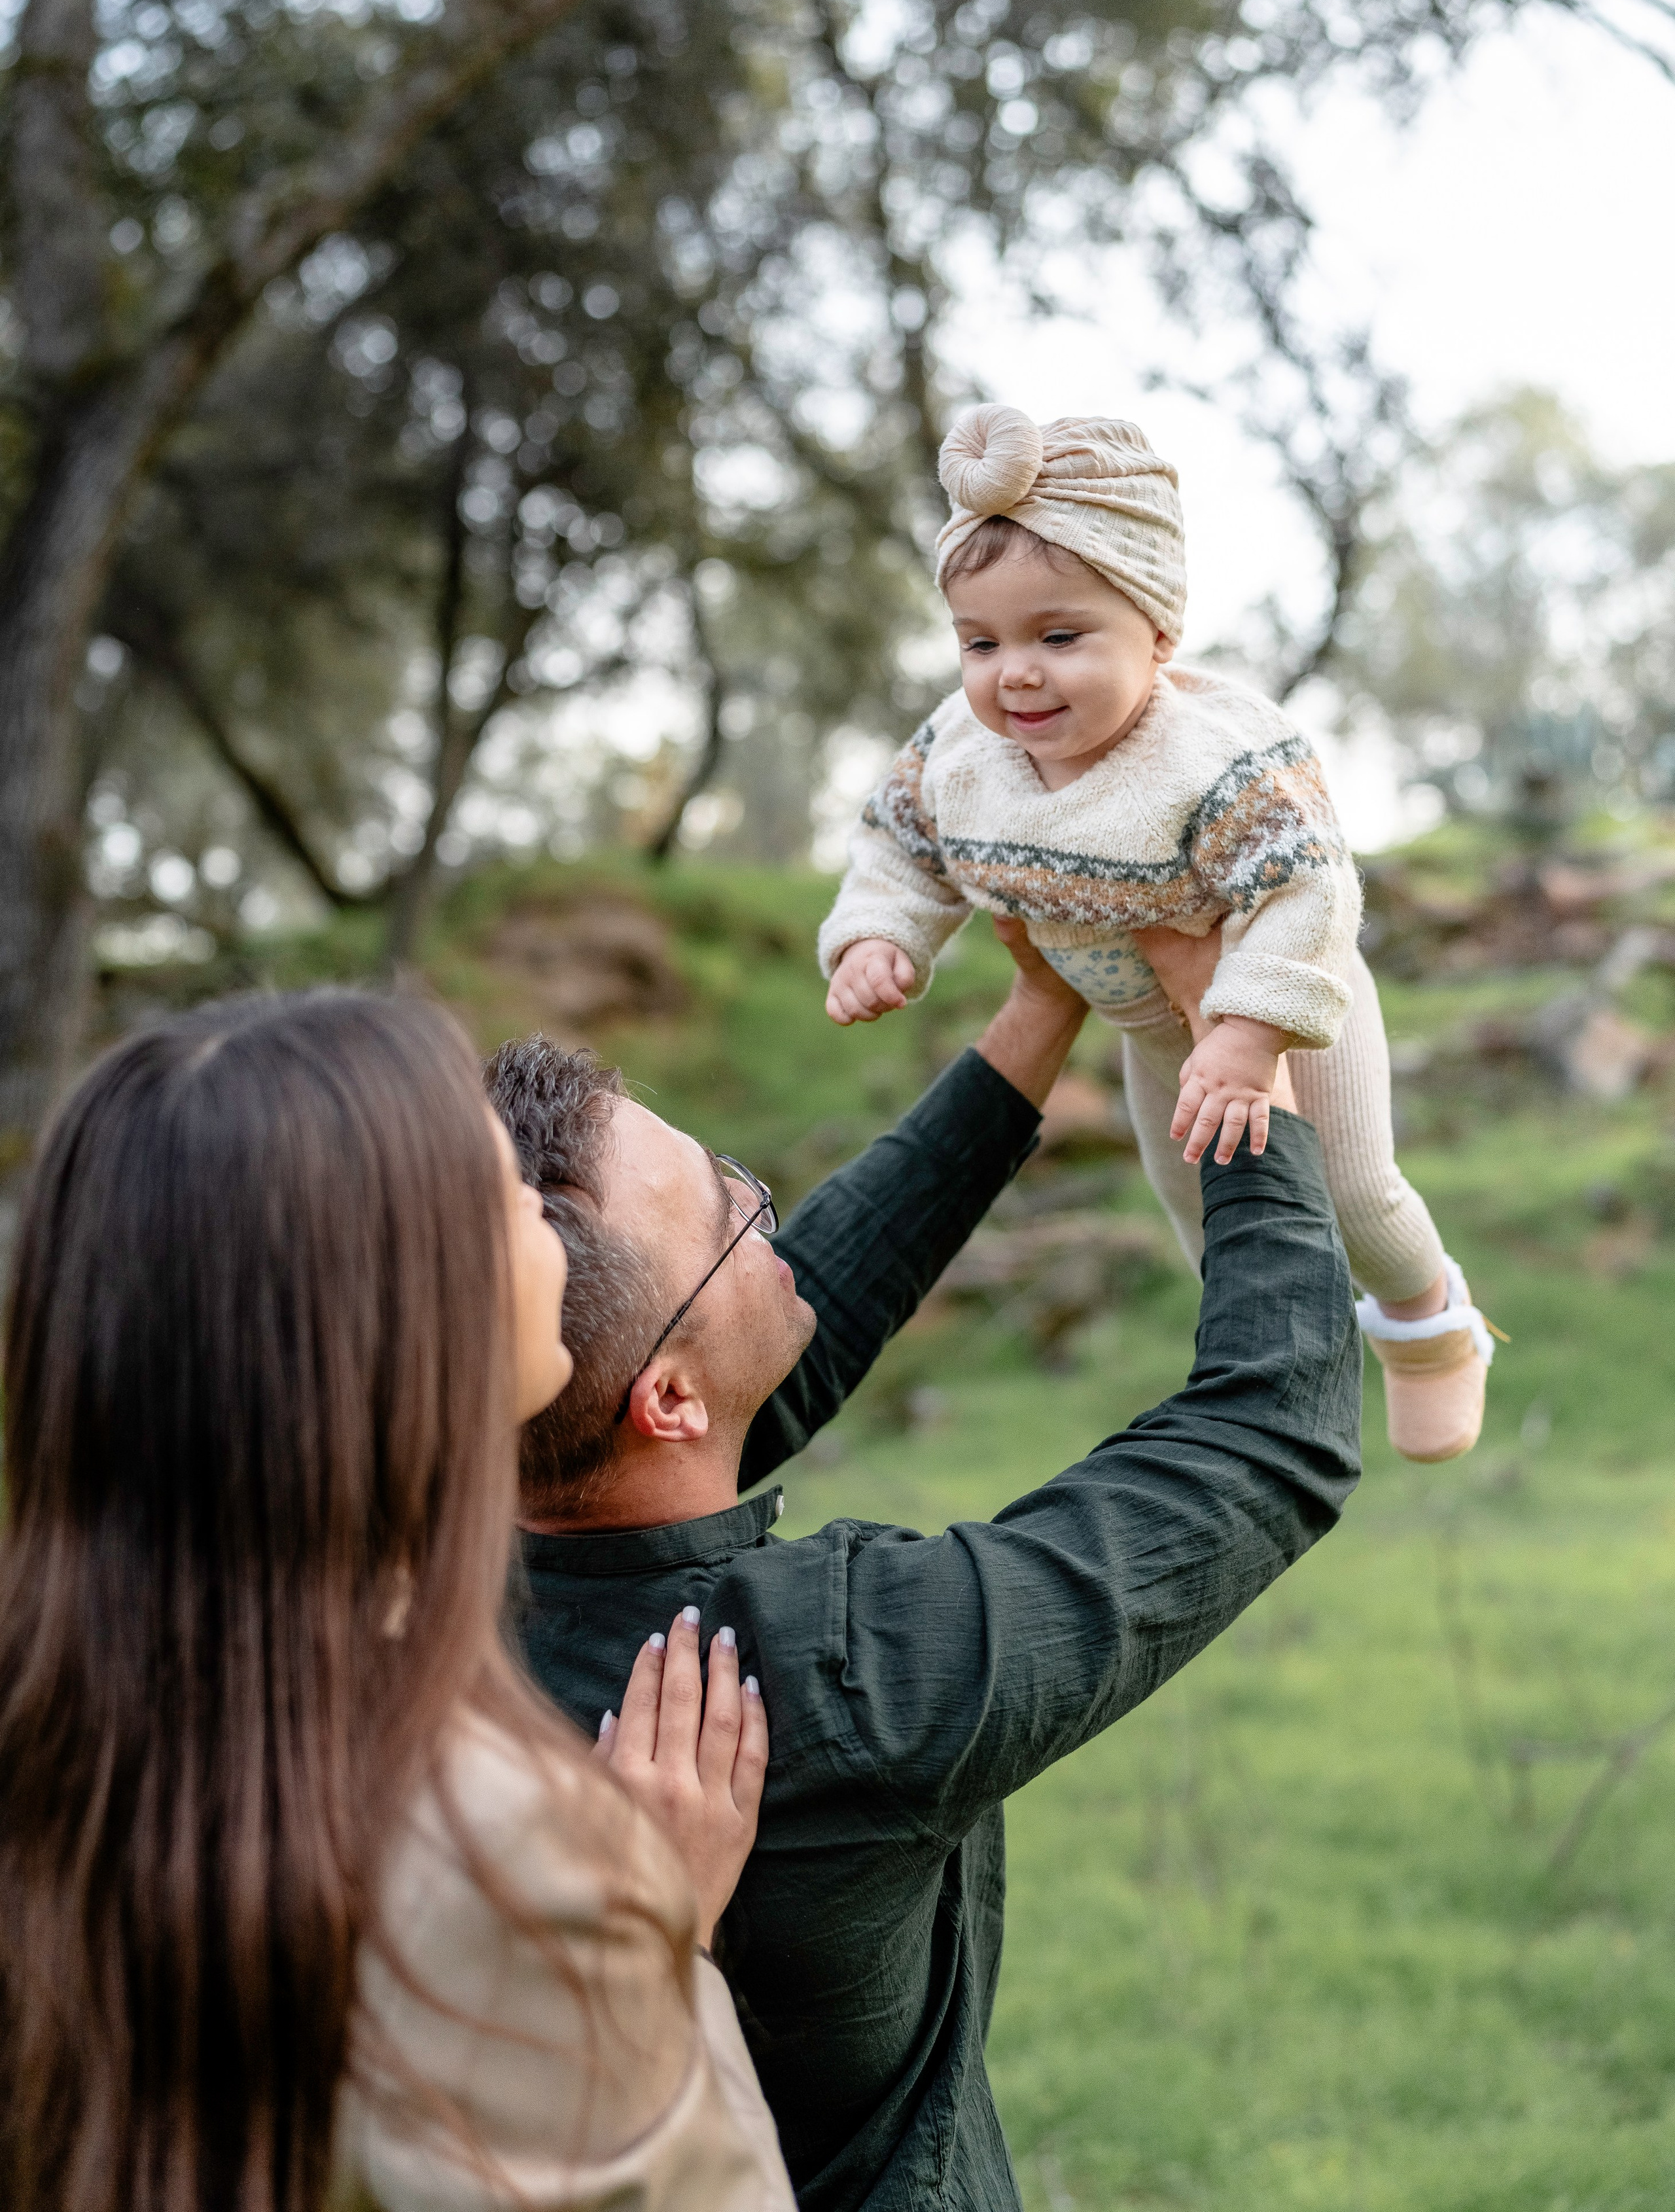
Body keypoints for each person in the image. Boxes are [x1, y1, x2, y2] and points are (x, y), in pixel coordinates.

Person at [491, 923, 1359, 2212]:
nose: (763, 1213)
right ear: (664, 1399)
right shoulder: (837, 1671)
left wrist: (1034, 1017)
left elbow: (764, 1341)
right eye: (733, 1214)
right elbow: (1274, 1426)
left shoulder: (446, 1598)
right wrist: (1242, 1062)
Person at [0, 990, 794, 2212]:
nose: (547, 1225)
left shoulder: (64, 1736)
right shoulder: (522, 1862)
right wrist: (668, 1953)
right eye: (513, 1204)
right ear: (412, 1321)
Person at [818, 402, 1500, 1462]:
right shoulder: (960, 752)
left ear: (1159, 632)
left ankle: (1430, 1327)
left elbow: (1307, 889)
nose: (1017, 673)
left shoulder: (1209, 756)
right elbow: (899, 841)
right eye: (980, 642)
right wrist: (881, 937)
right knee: (1201, 1209)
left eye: (1059, 635)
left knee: (1356, 1190)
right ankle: (1283, 1359)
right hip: (1150, 1029)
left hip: (1283, 1006)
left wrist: (1245, 1032)